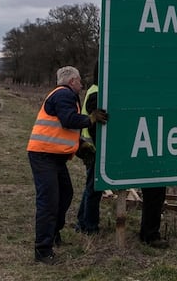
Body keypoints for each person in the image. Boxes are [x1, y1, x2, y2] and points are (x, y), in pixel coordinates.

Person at [27, 66, 108, 264]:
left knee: (65, 194)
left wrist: (80, 146)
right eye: (80, 81)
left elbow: (62, 130)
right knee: (49, 202)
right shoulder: (64, 94)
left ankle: (54, 234)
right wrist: (91, 119)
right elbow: (68, 120)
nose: (82, 85)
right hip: (44, 156)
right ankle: (43, 250)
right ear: (72, 81)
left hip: (53, 157)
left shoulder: (63, 96)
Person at [75, 73, 102, 235]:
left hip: (90, 148)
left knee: (91, 187)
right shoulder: (97, 92)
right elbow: (94, 127)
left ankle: (83, 222)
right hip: (92, 149)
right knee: (94, 188)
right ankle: (89, 226)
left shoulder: (95, 89)